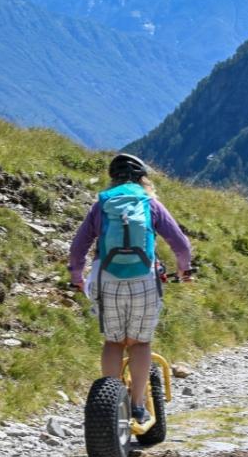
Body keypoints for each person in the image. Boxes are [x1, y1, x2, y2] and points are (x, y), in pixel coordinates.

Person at [69, 153, 192, 424]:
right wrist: (183, 269)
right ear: (142, 179)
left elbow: (78, 246)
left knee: (114, 341)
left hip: (106, 277)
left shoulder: (101, 205)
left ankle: (112, 410)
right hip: (144, 279)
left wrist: (77, 275)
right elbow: (181, 244)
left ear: (112, 179)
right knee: (139, 343)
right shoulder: (151, 204)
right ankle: (137, 405)